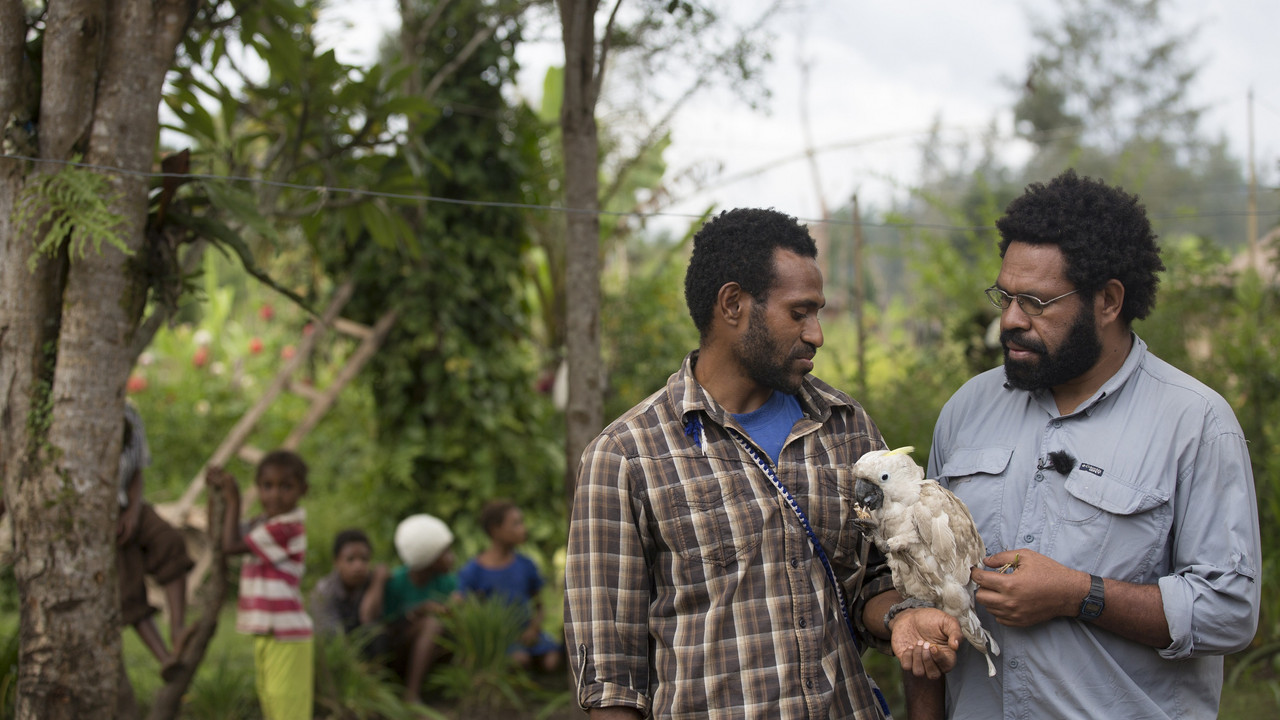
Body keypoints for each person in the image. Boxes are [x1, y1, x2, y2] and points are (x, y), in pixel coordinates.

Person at [563, 207, 946, 720]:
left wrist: (901, 617)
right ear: (733, 304)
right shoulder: (626, 456)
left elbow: (878, 579)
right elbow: (612, 678)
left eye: (817, 313)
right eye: (799, 313)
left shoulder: (846, 427)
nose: (817, 334)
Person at [919, 169, 1262, 719]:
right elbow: (926, 591)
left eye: (1036, 302)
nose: (1010, 320)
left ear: (1108, 301)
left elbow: (1229, 613)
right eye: (1005, 296)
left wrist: (1079, 594)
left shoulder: (1195, 423)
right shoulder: (967, 409)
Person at [207, 451, 314, 720]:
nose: (275, 495)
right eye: (267, 486)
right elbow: (220, 536)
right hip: (269, 633)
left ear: (303, 490)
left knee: (286, 706)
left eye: (285, 487)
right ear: (258, 488)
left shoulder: (286, 528)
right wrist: (215, 495)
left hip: (287, 636)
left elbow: (230, 545)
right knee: (272, 702)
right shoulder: (263, 524)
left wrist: (234, 499)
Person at [116, 402, 194, 680]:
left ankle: (178, 629)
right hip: (98, 515)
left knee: (169, 542)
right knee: (127, 583)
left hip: (129, 503)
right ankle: (164, 659)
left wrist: (133, 513)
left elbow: (137, 472)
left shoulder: (129, 414)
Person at [360, 513, 459, 706]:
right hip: (395, 654)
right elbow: (371, 619)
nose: (452, 557)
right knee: (431, 625)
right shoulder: (396, 582)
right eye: (446, 552)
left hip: (434, 654)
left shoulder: (448, 583)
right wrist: (378, 583)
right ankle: (411, 696)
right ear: (429, 557)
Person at [458, 499, 562, 672]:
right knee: (519, 660)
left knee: (552, 659)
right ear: (495, 529)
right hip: (497, 638)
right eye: (516, 524)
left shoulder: (526, 565)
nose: (523, 529)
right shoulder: (474, 570)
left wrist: (533, 628)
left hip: (527, 633)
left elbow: (539, 605)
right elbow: (464, 608)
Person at [309, 528, 387, 657]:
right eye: (350, 560)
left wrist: (377, 583)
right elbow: (329, 636)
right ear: (336, 562)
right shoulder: (324, 592)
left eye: (364, 559)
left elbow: (371, 619)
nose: (358, 566)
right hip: (340, 653)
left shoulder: (375, 581)